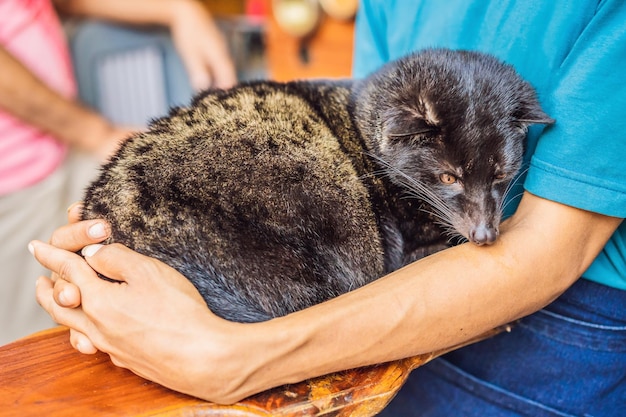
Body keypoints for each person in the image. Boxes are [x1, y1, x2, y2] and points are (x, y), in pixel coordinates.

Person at [30, 0, 625, 415]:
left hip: (563, 319)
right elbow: (375, 108)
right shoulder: (395, 127)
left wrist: (236, 358)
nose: (482, 222)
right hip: (339, 302)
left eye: (497, 179)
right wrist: (114, 243)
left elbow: (549, 245)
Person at [0, 0, 236, 345]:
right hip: (16, 181)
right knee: (32, 353)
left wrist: (178, 9)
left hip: (62, 149)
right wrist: (95, 134)